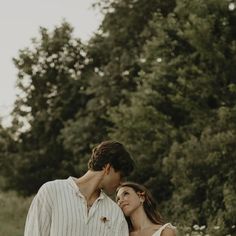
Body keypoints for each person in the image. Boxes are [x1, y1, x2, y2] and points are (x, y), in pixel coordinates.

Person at [24, 140, 134, 236]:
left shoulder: (115, 213)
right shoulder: (51, 191)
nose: (121, 183)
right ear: (108, 168)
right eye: (121, 176)